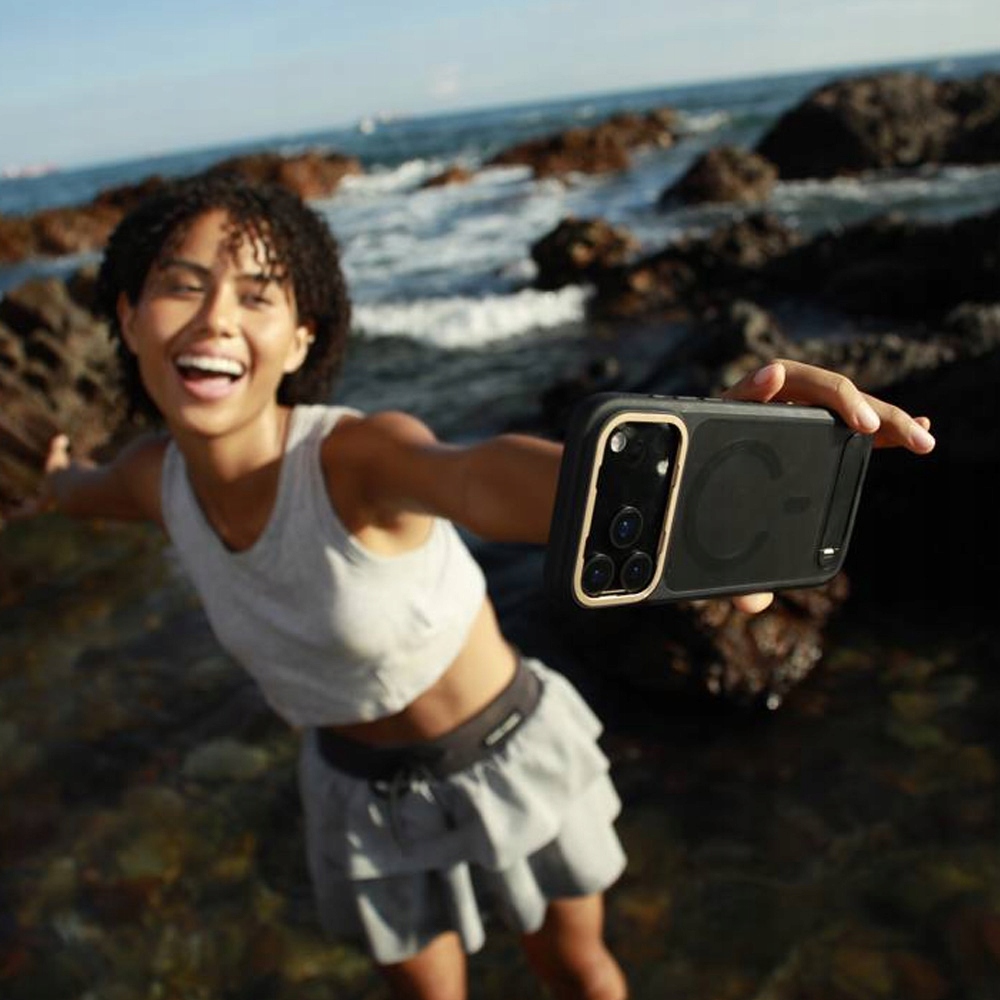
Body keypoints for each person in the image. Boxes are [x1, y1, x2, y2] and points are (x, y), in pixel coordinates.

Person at [19, 173, 935, 1000]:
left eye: (257, 296)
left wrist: (671, 476)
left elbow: (476, 477)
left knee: (576, 971)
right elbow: (78, 491)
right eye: (184, 285)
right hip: (355, 792)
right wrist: (51, 476)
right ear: (129, 317)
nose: (218, 318)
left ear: (300, 341)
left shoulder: (356, 458)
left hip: (505, 754)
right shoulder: (152, 480)